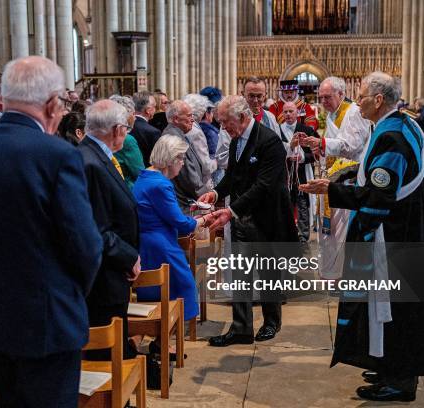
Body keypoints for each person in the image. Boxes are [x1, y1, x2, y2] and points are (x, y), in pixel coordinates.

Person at [0, 56, 102, 408]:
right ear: (52, 103)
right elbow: (85, 246)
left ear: (4, 99)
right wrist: (67, 292)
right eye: (64, 104)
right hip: (46, 319)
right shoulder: (58, 154)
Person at [300, 71, 424, 402]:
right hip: (406, 228)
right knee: (391, 306)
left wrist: (332, 190)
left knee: (398, 307)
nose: (356, 101)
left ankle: (401, 380)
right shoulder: (403, 124)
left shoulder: (392, 137)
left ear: (378, 100)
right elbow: (376, 178)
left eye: (359, 95)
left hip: (394, 234)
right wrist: (346, 177)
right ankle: (390, 364)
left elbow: (378, 197)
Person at [198, 95, 298, 346]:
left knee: (268, 273)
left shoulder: (269, 141)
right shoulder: (236, 141)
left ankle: (271, 322)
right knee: (240, 273)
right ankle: (241, 328)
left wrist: (230, 211)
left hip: (267, 217)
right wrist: (217, 193)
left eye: (225, 122)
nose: (223, 127)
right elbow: (233, 176)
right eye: (220, 122)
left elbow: (263, 186)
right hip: (243, 216)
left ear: (242, 118)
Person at [78, 99, 141, 360]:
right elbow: (95, 228)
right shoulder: (90, 163)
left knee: (116, 347)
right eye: (126, 128)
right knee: (105, 358)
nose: (126, 134)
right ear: (117, 129)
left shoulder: (96, 155)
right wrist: (129, 257)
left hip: (111, 273)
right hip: (103, 277)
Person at [303, 76, 371, 279]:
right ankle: (330, 272)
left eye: (327, 97)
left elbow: (352, 146)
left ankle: (340, 274)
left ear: (341, 94)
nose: (323, 102)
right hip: (333, 177)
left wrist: (323, 144)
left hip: (347, 180)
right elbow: (334, 145)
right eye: (320, 97)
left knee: (341, 231)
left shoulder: (352, 113)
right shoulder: (333, 114)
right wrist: (319, 149)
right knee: (330, 230)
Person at [133, 135, 207, 322]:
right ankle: (164, 340)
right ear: (169, 160)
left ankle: (155, 339)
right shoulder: (160, 184)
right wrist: (204, 219)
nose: (182, 163)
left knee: (154, 293)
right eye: (180, 158)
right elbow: (180, 223)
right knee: (182, 288)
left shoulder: (145, 176)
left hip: (147, 243)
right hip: (161, 245)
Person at [279, 101, 317, 243]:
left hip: (302, 175)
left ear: (297, 113)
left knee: (302, 206)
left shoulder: (306, 130)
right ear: (282, 114)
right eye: (285, 112)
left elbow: (315, 154)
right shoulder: (277, 130)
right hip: (285, 175)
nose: (288, 114)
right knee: (285, 205)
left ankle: (303, 237)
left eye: (291, 111)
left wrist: (302, 158)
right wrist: (287, 156)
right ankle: (287, 236)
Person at [164, 100, 211, 212]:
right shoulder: (175, 139)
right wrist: (205, 195)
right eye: (189, 116)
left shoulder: (177, 134)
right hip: (185, 203)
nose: (192, 120)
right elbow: (188, 176)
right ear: (176, 119)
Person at [110, 94, 145, 190]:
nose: (135, 118)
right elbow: (139, 172)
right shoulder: (127, 140)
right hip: (128, 189)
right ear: (125, 115)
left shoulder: (108, 133)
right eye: (133, 114)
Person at [131, 90, 161, 166]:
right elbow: (158, 159)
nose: (156, 109)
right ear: (148, 110)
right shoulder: (153, 132)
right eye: (154, 106)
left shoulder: (126, 126)